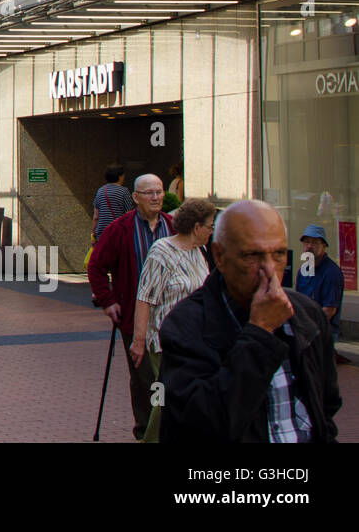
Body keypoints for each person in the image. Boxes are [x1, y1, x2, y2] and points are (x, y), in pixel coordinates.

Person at [159, 201, 341, 443]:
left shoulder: (307, 314)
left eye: (278, 254)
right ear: (220, 256)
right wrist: (260, 332)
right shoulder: (185, 325)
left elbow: (325, 405)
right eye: (252, 255)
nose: (269, 269)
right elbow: (204, 422)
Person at [88, 173, 174, 440]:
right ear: (135, 198)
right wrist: (108, 301)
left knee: (172, 376)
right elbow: (96, 266)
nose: (156, 197)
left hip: (173, 316)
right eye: (149, 193)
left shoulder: (174, 226)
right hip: (135, 317)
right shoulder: (120, 229)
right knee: (144, 378)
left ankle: (168, 429)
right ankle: (145, 431)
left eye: (159, 192)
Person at [130, 198, 216, 442]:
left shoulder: (201, 252)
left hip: (195, 340)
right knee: (167, 396)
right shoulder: (162, 251)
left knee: (181, 397)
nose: (212, 231)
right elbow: (145, 297)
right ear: (197, 227)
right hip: (165, 340)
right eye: (210, 226)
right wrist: (139, 340)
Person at [296, 224, 344, 348]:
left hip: (322, 332)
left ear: (324, 246)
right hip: (303, 329)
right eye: (307, 242)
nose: (310, 246)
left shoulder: (331, 272)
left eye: (315, 242)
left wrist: (306, 327)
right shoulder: (303, 270)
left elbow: (329, 310)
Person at [92, 164, 136, 241]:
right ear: (120, 176)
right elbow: (129, 215)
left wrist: (94, 234)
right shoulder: (124, 191)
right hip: (117, 233)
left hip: (101, 233)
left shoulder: (100, 191)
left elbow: (96, 217)